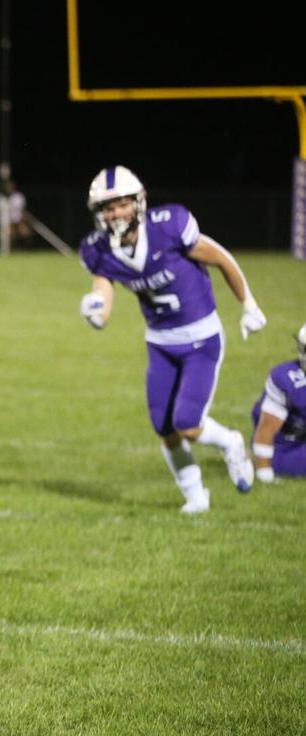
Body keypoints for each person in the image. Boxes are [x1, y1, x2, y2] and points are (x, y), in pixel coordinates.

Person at [78, 165, 265, 512]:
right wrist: (95, 315)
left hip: (201, 339)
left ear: (138, 202)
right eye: (107, 207)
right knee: (165, 427)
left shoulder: (170, 226)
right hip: (160, 343)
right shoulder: (98, 249)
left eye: (120, 204)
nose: (115, 213)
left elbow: (221, 258)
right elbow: (102, 298)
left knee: (188, 423)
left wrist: (248, 304)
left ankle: (231, 443)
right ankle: (196, 498)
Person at [249, 323, 306, 482]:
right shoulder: (287, 378)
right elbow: (266, 429)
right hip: (283, 449)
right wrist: (264, 474)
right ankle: (244, 457)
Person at [0, 179, 32, 246]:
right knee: (7, 233)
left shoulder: (18, 196)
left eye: (11, 187)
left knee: (25, 231)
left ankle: (28, 249)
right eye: (7, 187)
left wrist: (22, 222)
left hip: (18, 221)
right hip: (3, 222)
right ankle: (10, 248)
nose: (9, 189)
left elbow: (23, 211)